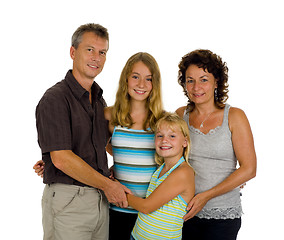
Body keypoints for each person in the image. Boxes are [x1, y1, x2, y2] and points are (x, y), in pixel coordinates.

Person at [35, 23, 131, 240]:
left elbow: (98, 147)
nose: (96, 57)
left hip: (100, 201)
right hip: (70, 201)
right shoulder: (55, 99)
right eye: (89, 50)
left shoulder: (99, 101)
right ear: (72, 52)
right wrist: (108, 185)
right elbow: (62, 159)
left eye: (102, 52)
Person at [175, 49, 257, 240]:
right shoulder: (180, 115)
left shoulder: (235, 116)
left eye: (204, 79)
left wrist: (205, 196)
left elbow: (249, 169)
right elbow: (166, 155)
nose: (196, 87)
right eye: (190, 80)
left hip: (222, 215)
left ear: (216, 82)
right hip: (183, 212)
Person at [104, 52, 164, 239]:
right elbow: (91, 146)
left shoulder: (163, 120)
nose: (141, 84)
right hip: (119, 208)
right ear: (126, 79)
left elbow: (178, 160)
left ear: (155, 84)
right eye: (135, 77)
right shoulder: (110, 116)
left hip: (153, 213)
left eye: (148, 79)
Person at [127, 112, 195, 240]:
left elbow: (146, 207)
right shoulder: (160, 169)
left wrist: (118, 193)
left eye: (172, 136)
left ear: (185, 142)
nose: (164, 140)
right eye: (160, 135)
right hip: (136, 236)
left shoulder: (183, 172)